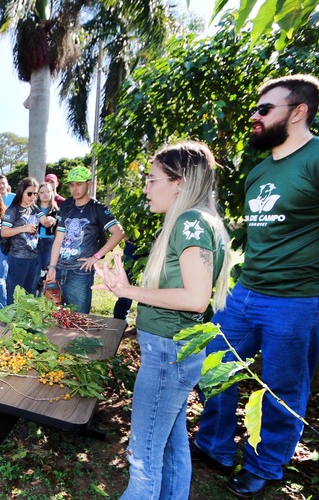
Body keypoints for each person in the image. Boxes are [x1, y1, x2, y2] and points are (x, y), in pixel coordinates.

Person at [192, 75, 319, 497]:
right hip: (248, 292)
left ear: (299, 111)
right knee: (214, 365)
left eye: (265, 109)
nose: (255, 115)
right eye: (257, 107)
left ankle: (265, 465)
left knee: (284, 385)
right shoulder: (259, 172)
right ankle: (213, 446)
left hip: (304, 298)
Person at [95, 141, 230, 499]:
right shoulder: (195, 220)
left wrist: (129, 291)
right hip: (175, 351)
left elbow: (195, 298)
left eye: (152, 179)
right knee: (172, 446)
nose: (146, 188)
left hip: (169, 354)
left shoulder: (190, 223)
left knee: (143, 458)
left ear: (179, 182)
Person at [46, 166, 125, 314]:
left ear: (89, 184)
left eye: (79, 184)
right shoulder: (66, 205)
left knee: (79, 317)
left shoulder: (97, 208)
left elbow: (118, 233)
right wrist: (52, 266)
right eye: (71, 184)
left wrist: (96, 257)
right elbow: (58, 239)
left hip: (80, 272)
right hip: (60, 269)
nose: (74, 188)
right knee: (56, 317)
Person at [1, 177, 44, 304]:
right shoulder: (13, 210)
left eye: (35, 194)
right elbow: (4, 232)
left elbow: (45, 223)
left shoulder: (34, 208)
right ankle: (9, 320)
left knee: (29, 292)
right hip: (18, 257)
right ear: (21, 192)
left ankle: (24, 321)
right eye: (29, 193)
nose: (33, 196)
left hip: (33, 257)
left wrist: (51, 220)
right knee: (15, 291)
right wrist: (23, 228)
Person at [33, 181, 59, 295]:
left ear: (52, 192)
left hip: (50, 242)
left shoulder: (56, 210)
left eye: (48, 191)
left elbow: (49, 223)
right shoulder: (33, 209)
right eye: (41, 192)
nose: (45, 194)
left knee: (48, 270)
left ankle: (48, 296)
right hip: (36, 242)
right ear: (38, 194)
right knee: (36, 271)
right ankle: (34, 295)